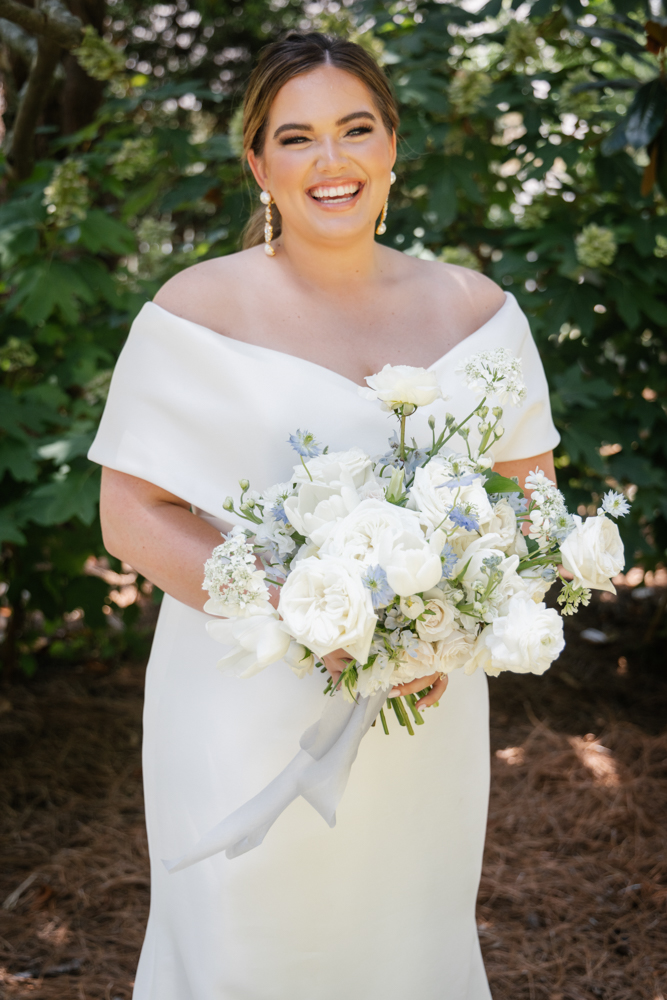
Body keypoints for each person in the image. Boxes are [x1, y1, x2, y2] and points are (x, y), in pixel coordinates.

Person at [89, 31, 559, 1000]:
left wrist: (436, 630)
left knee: (400, 947)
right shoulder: (192, 311)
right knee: (246, 949)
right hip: (238, 700)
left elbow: (532, 501)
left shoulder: (479, 311)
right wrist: (311, 616)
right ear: (258, 163)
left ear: (394, 144)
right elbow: (131, 514)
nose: (330, 161)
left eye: (354, 129)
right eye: (295, 137)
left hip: (422, 704)